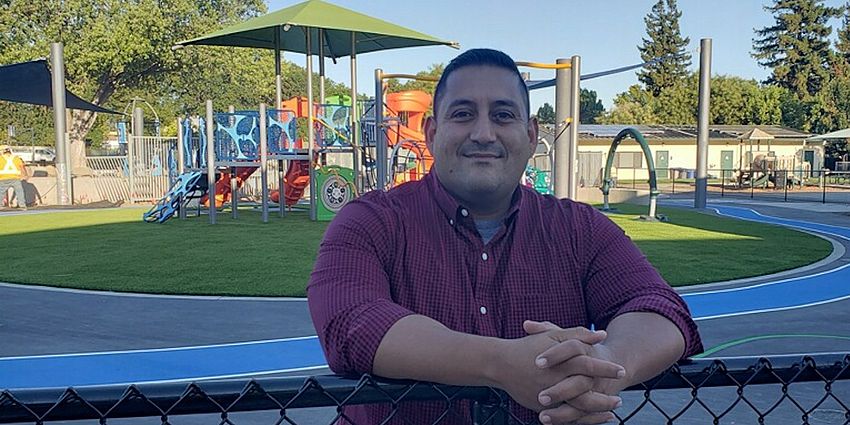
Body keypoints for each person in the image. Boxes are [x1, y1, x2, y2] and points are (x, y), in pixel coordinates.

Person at [308, 48, 702, 425]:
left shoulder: (581, 229)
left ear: (531, 135)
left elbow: (661, 309)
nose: (483, 133)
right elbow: (351, 323)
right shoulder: (370, 220)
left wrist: (606, 367)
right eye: (463, 114)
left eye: (503, 115)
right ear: (431, 132)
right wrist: (502, 365)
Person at [0, 145, 28, 210]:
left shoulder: (0, 158)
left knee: (1, 192)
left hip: (3, 178)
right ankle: (22, 205)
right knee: (19, 192)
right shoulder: (16, 158)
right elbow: (22, 167)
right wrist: (25, 175)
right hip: (15, 178)